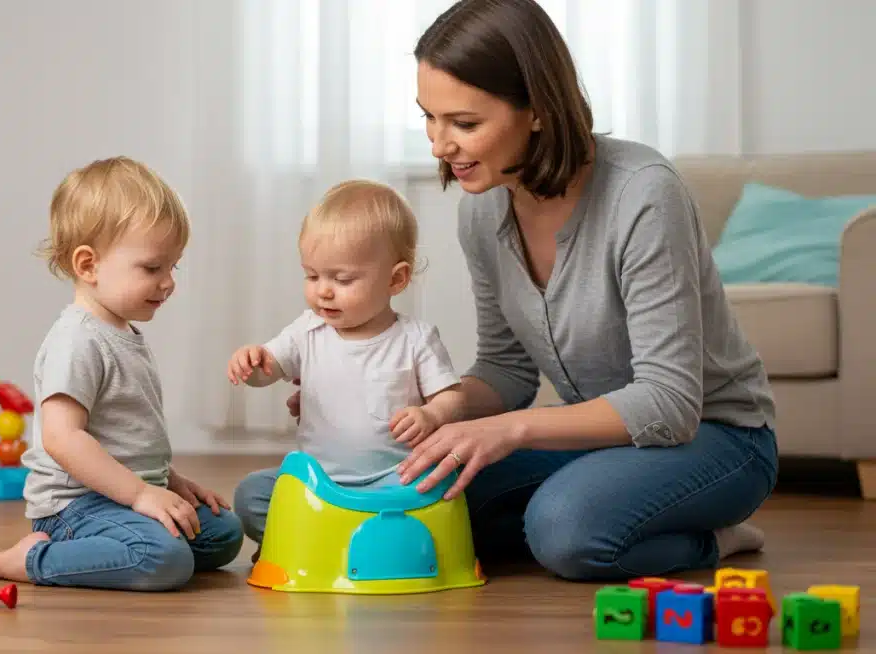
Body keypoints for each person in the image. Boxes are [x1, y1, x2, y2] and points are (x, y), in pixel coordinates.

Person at [287, 0, 779, 581]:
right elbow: (507, 370)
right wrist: (413, 403)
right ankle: (611, 505)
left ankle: (715, 539)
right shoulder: (483, 209)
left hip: (717, 438)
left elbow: (670, 405)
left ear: (540, 111)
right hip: (600, 441)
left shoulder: (644, 195)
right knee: (424, 500)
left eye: (465, 124)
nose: (439, 145)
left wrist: (508, 430)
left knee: (565, 530)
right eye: (429, 117)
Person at [0, 156, 244, 591]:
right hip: (77, 507)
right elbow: (62, 438)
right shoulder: (77, 340)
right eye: (152, 268)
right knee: (163, 559)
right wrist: (142, 495)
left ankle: (123, 544)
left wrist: (169, 482)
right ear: (88, 266)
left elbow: (128, 436)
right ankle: (36, 557)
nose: (169, 282)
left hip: (119, 493)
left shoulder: (122, 332)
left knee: (223, 533)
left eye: (173, 266)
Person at [228, 180, 466, 551]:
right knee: (251, 496)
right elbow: (269, 369)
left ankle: (322, 538)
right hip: (318, 481)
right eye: (312, 275)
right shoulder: (306, 330)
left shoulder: (416, 338)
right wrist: (253, 363)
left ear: (395, 279)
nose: (323, 290)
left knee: (443, 493)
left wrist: (432, 415)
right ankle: (347, 537)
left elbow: (452, 397)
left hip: (395, 478)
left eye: (342, 279)